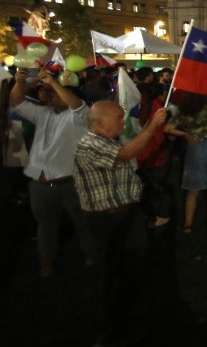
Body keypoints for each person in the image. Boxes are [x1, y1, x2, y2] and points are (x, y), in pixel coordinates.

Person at [73, 101, 168, 346]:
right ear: (99, 122)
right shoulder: (89, 144)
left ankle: (129, 317)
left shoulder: (106, 140)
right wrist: (152, 127)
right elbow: (125, 155)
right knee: (116, 273)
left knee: (131, 271)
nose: (123, 123)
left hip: (125, 214)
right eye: (119, 119)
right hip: (108, 220)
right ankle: (111, 327)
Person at [10, 68, 96, 277]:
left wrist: (54, 83)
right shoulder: (44, 114)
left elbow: (76, 105)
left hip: (70, 182)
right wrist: (20, 83)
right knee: (45, 224)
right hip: (40, 183)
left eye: (55, 93)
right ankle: (46, 260)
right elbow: (16, 101)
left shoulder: (80, 116)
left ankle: (91, 252)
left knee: (82, 222)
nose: (49, 95)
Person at [164, 92, 207, 233]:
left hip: (195, 149)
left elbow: (167, 128)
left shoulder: (184, 109)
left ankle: (188, 224)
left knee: (193, 189)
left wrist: (186, 134)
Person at [136, 82, 170, 227]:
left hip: (141, 153)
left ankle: (149, 214)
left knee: (147, 186)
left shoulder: (139, 106)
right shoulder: (156, 106)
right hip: (154, 153)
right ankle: (152, 217)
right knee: (154, 188)